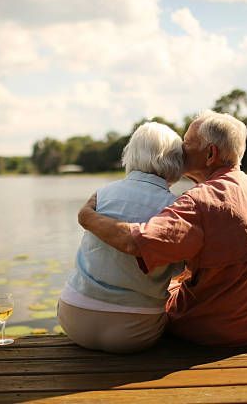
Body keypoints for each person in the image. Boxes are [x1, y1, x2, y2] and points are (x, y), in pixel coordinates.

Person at [78, 111, 247, 347]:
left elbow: (135, 243)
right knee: (174, 280)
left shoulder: (200, 200)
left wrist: (87, 217)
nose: (180, 149)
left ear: (210, 154)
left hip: (218, 330)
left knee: (157, 291)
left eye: (187, 143)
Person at [58, 121, 185, 354]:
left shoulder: (101, 194)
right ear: (176, 161)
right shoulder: (177, 207)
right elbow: (179, 269)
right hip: (134, 331)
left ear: (131, 154)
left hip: (73, 318)